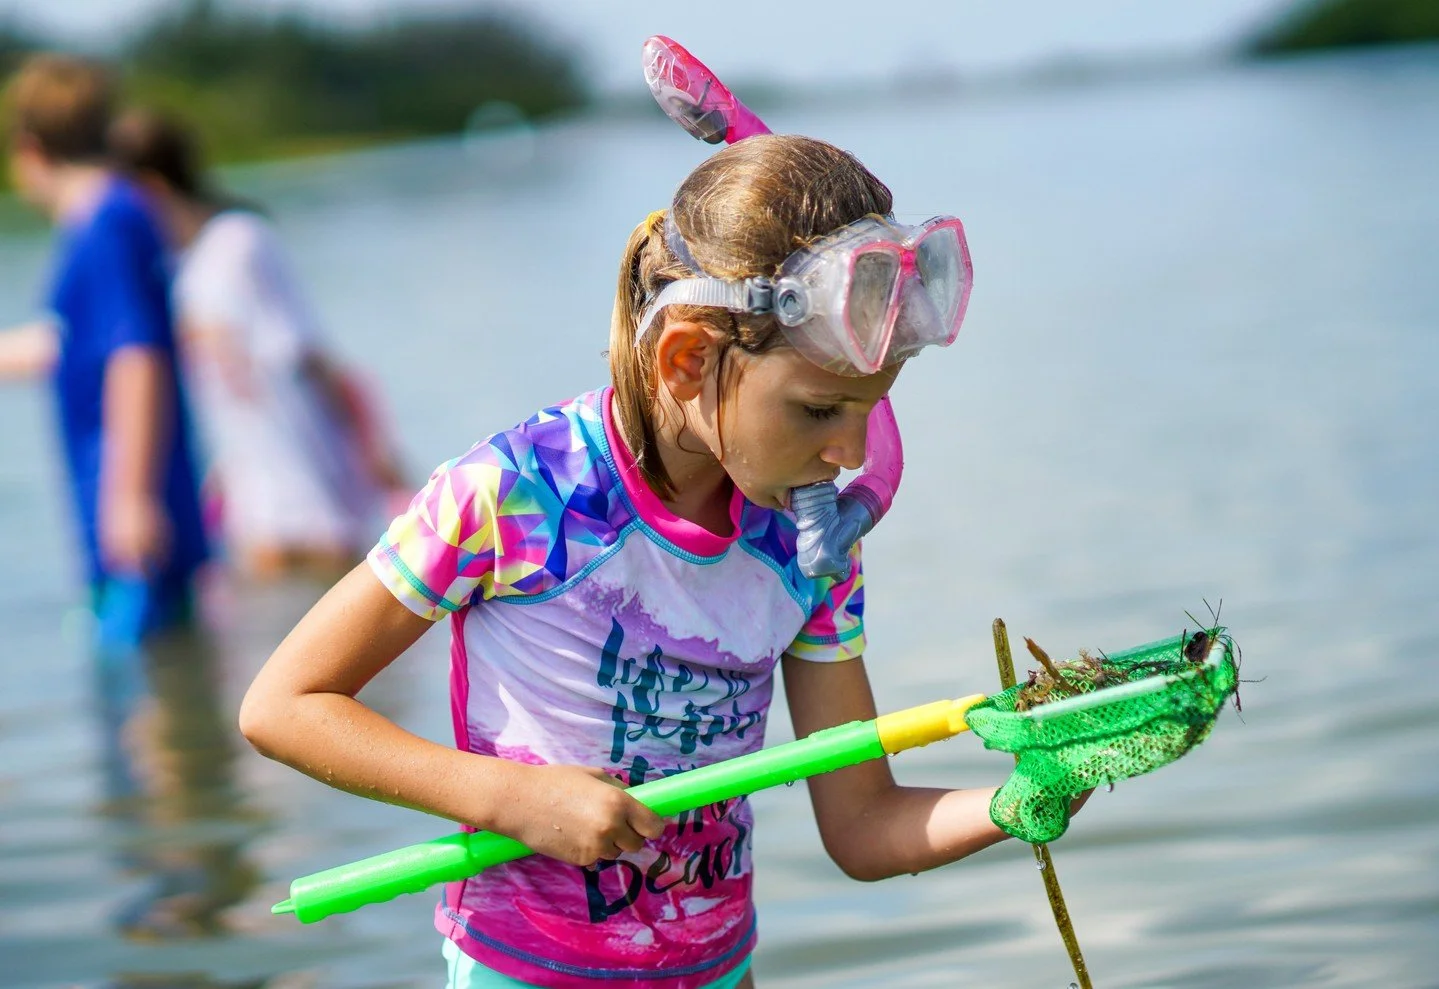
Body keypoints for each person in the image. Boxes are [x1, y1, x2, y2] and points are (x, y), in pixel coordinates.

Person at [240, 134, 1082, 989]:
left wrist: (1020, 801)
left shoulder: (809, 545)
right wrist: (512, 799)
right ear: (687, 359)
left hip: (721, 971)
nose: (849, 452)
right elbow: (283, 705)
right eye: (818, 408)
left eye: (869, 411)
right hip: (529, 972)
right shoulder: (515, 493)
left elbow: (863, 825)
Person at [107, 108, 408, 580]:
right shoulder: (173, 270)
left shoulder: (240, 242)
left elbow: (315, 359)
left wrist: (377, 454)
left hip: (312, 487)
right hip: (252, 506)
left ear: (152, 189)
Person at [0, 54, 208, 647]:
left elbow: (136, 354)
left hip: (133, 510)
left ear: (29, 148)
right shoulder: (113, 215)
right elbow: (70, 344)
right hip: (132, 499)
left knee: (150, 693)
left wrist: (132, 497)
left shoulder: (106, 223)